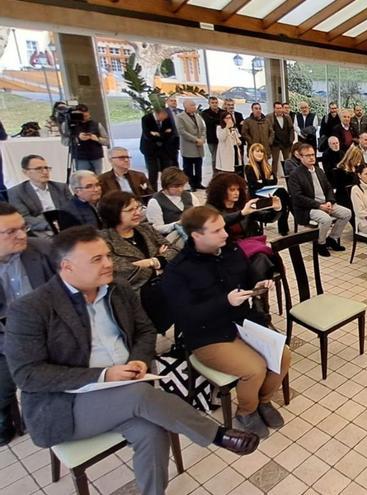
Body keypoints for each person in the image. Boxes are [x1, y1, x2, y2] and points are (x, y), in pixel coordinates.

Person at [5, 226, 259, 495]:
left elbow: (146, 331)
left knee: (152, 431)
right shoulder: (31, 308)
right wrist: (103, 376)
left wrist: (139, 359)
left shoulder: (118, 289)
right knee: (138, 395)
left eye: (107, 256)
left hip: (125, 385)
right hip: (67, 402)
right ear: (67, 267)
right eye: (97, 259)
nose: (108, 264)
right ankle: (216, 435)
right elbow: (28, 375)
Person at [162, 206, 292, 438]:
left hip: (242, 323)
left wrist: (259, 285)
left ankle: (263, 401)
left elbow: (248, 277)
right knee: (254, 368)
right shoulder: (179, 270)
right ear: (197, 236)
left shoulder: (230, 249)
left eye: (223, 227)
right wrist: (225, 301)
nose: (225, 233)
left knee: (283, 355)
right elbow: (185, 316)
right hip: (206, 336)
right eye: (217, 230)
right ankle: (246, 411)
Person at [0, 203, 54, 446]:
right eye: (11, 232)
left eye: (23, 227)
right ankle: (4, 413)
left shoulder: (43, 249)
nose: (22, 235)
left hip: (50, 328)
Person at [205, 173, 282, 283]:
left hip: (247, 247)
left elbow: (266, 217)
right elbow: (220, 221)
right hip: (225, 250)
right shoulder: (210, 209)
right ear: (220, 191)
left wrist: (277, 209)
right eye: (232, 190)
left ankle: (254, 292)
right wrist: (241, 213)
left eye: (238, 189)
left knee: (261, 258)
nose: (237, 193)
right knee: (262, 260)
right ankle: (256, 292)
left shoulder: (241, 206)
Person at [99, 191, 178, 291]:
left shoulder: (146, 228)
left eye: (137, 207)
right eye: (130, 210)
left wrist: (151, 262)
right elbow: (118, 271)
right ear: (113, 213)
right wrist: (159, 265)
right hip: (135, 293)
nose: (137, 213)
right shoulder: (103, 239)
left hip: (167, 282)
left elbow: (175, 250)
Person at [287, 144, 351, 257]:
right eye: (307, 156)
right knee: (326, 219)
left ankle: (332, 238)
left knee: (347, 213)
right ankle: (320, 244)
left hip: (325, 203)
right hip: (308, 208)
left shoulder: (319, 170)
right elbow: (298, 197)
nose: (311, 158)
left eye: (313, 155)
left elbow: (328, 188)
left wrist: (330, 201)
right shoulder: (295, 174)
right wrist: (319, 206)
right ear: (300, 157)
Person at [8, 154, 72, 237]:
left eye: (46, 168)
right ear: (25, 172)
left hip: (65, 224)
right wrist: (50, 225)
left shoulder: (61, 187)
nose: (45, 172)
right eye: (39, 169)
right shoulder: (16, 192)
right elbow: (24, 218)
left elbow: (72, 208)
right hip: (41, 228)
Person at [244, 143, 290, 235]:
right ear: (252, 153)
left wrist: (264, 182)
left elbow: (274, 181)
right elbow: (254, 185)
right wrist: (266, 181)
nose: (260, 153)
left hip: (268, 191)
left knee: (283, 196)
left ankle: (284, 223)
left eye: (261, 151)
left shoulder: (267, 166)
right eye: (257, 151)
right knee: (282, 194)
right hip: (257, 195)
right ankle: (283, 226)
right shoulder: (249, 168)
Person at [146, 168, 200, 235]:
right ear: (166, 185)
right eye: (176, 186)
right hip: (172, 237)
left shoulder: (190, 195)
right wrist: (175, 224)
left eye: (182, 186)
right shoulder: (155, 202)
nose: (180, 189)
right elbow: (156, 228)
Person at [140, 107, 176, 191]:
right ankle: (153, 192)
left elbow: (171, 133)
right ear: (159, 113)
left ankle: (167, 190)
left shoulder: (167, 119)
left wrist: (157, 134)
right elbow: (148, 135)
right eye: (164, 115)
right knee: (153, 172)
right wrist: (163, 134)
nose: (166, 117)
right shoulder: (146, 119)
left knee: (167, 171)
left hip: (164, 148)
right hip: (150, 149)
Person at [175, 100, 207, 190]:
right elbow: (182, 131)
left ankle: (198, 183)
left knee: (198, 167)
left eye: (194, 105)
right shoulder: (180, 117)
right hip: (188, 146)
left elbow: (203, 129)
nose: (194, 107)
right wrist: (195, 139)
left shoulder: (197, 116)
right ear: (186, 107)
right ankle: (191, 184)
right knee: (188, 168)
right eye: (192, 105)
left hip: (199, 146)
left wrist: (202, 139)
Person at [70, 104, 109, 173]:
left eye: (86, 115)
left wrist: (97, 139)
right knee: (83, 177)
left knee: (98, 178)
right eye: (83, 116)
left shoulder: (97, 124)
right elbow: (65, 141)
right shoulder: (72, 126)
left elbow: (107, 141)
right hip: (80, 157)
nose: (85, 117)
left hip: (96, 156)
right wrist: (78, 138)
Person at [330, 146, 363, 212]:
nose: (359, 162)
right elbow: (340, 187)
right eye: (357, 159)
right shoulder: (340, 170)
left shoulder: (356, 168)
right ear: (352, 158)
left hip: (355, 193)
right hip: (345, 196)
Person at [270, 102, 295, 176]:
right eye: (277, 108)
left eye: (280, 108)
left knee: (288, 160)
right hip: (275, 143)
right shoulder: (269, 117)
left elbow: (291, 129)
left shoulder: (287, 117)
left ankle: (289, 175)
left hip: (286, 143)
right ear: (274, 109)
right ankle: (274, 176)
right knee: (275, 161)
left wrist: (291, 140)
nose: (279, 110)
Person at [223, 98, 246, 171]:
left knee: (240, 158)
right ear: (225, 105)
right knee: (232, 160)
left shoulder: (239, 115)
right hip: (228, 141)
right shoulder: (222, 115)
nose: (231, 106)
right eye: (229, 105)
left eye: (232, 105)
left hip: (239, 140)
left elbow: (241, 126)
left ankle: (241, 174)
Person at [201, 96, 224, 172]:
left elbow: (224, 121)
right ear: (209, 103)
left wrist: (217, 121)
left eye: (216, 103)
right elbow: (209, 122)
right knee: (215, 157)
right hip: (212, 139)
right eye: (212, 103)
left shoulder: (222, 112)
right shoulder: (205, 113)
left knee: (222, 157)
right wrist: (219, 121)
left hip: (222, 138)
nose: (214, 104)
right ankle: (215, 174)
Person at [164, 96, 182, 167]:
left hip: (181, 137)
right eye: (172, 101)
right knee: (173, 157)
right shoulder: (164, 112)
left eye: (175, 101)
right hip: (170, 138)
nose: (174, 102)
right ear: (167, 102)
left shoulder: (181, 111)